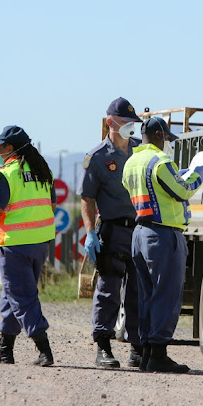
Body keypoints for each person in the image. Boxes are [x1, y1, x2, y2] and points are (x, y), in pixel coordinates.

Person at [121, 116, 203, 373]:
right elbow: (183, 191)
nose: (168, 143)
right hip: (163, 234)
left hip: (140, 233)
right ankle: (158, 353)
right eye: (167, 138)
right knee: (166, 295)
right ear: (159, 135)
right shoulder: (160, 161)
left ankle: (147, 352)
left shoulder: (131, 162)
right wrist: (198, 175)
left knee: (147, 295)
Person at [0, 125, 56, 367]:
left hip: (14, 245)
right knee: (11, 295)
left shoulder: (7, 173)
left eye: (0, 146)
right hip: (40, 244)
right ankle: (4, 349)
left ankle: (45, 350)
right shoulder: (43, 171)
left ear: (10, 148)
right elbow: (52, 205)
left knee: (22, 297)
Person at [78, 97, 143, 368]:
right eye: (125, 122)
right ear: (110, 123)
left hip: (140, 230)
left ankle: (138, 348)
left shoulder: (141, 151)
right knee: (109, 291)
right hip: (113, 230)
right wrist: (90, 232)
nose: (130, 127)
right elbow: (87, 199)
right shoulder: (97, 158)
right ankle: (103, 347)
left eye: (133, 123)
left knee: (139, 291)